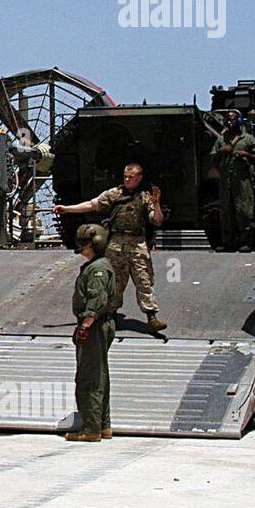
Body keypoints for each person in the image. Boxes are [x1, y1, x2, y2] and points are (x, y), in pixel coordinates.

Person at [54, 162, 167, 333]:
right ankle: (111, 314)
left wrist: (156, 203)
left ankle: (151, 316)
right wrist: (67, 209)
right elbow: (92, 205)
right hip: (116, 244)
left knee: (144, 280)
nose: (127, 179)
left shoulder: (145, 197)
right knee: (114, 283)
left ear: (139, 178)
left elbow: (157, 220)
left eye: (131, 177)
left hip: (137, 244)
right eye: (125, 176)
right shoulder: (114, 194)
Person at [68, 223, 116, 442]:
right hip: (99, 325)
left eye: (84, 243)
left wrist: (85, 326)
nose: (81, 247)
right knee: (100, 375)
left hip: (93, 326)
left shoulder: (96, 270)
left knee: (89, 378)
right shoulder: (98, 265)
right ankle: (103, 426)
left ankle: (91, 429)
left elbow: (97, 301)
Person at [211, 109, 255, 252]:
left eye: (233, 119)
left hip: (243, 181)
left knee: (244, 211)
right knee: (226, 212)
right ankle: (228, 242)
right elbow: (213, 157)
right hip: (226, 181)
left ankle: (246, 242)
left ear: (239, 121)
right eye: (228, 119)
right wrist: (221, 151)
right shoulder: (221, 139)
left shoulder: (248, 139)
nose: (230, 122)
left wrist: (245, 154)